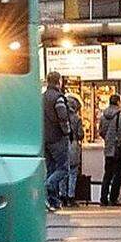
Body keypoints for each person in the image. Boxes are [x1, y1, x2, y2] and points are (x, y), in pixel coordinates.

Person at [42, 72, 72, 211]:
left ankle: (53, 201)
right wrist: (67, 132)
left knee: (51, 168)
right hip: (57, 138)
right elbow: (63, 117)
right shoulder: (58, 98)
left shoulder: (41, 97)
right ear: (59, 81)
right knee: (63, 169)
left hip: (44, 138)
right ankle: (46, 187)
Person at [99, 93, 121, 206]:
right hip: (120, 149)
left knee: (107, 174)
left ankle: (103, 199)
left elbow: (101, 131)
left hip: (108, 150)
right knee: (118, 175)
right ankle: (113, 199)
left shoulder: (103, 115)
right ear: (118, 102)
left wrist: (108, 140)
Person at [64, 95, 83, 207]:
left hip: (62, 144)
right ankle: (71, 197)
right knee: (73, 172)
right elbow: (80, 134)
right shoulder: (77, 118)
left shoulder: (61, 116)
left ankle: (62, 196)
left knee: (62, 171)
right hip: (74, 144)